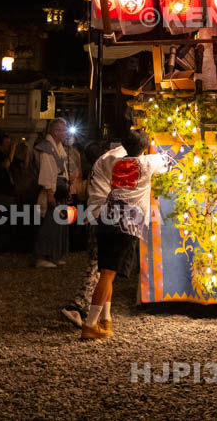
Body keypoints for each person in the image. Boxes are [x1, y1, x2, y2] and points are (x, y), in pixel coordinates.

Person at [82, 130, 169, 341]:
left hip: (106, 219)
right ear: (145, 148)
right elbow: (168, 162)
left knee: (106, 273)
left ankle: (106, 319)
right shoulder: (147, 164)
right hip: (126, 226)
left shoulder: (116, 163)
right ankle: (89, 324)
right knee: (107, 275)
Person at [62, 141, 124, 329]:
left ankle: (103, 315)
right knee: (97, 267)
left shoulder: (94, 171)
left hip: (93, 218)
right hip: (102, 220)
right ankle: (78, 306)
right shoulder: (107, 167)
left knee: (100, 267)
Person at [34, 119, 71, 269]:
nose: (65, 133)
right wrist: (50, 193)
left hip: (60, 188)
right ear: (55, 131)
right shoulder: (47, 149)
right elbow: (47, 172)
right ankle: (42, 256)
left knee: (58, 224)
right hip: (52, 190)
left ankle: (54, 255)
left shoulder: (58, 147)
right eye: (63, 130)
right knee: (49, 223)